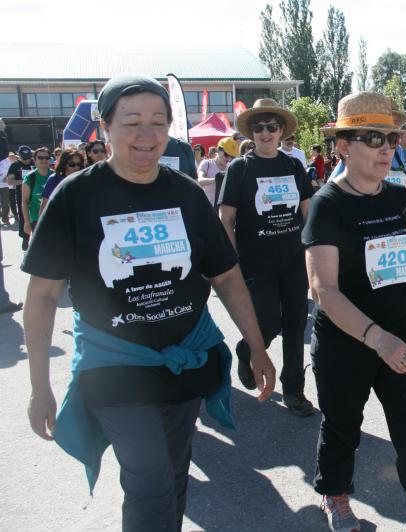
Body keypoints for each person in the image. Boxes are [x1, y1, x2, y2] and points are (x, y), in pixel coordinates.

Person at [23, 74, 276, 531]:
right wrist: (40, 385)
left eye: (158, 122)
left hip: (182, 362)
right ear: (104, 128)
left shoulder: (184, 193)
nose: (147, 135)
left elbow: (226, 275)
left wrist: (256, 346)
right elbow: (41, 296)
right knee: (150, 479)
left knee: (174, 475)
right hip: (114, 364)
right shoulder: (75, 196)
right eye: (132, 121)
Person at [304, 91, 406, 532]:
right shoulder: (327, 205)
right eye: (373, 137)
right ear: (343, 146)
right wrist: (377, 338)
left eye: (390, 136)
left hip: (403, 334)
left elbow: (398, 271)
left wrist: (397, 335)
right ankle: (336, 495)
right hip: (346, 340)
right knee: (343, 425)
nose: (387, 147)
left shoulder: (395, 198)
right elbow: (323, 290)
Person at [220, 98, 315, 417]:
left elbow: (306, 209)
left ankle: (294, 390)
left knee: (295, 323)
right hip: (255, 263)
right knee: (268, 321)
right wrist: (232, 261)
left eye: (271, 127)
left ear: (281, 131)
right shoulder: (241, 168)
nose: (265, 133)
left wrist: (313, 250)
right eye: (259, 128)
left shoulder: (292, 166)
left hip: (293, 261)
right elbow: (226, 218)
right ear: (252, 133)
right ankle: (246, 350)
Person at [40, 147, 85, 214]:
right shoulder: (54, 179)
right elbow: (44, 205)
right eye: (72, 164)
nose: (76, 167)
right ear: (64, 163)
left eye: (79, 164)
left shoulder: (83, 179)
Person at [6, 146, 34, 249]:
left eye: (28, 158)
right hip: (22, 195)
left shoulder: (35, 163)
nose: (27, 161)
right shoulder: (15, 166)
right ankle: (25, 239)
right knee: (24, 217)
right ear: (19, 156)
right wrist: (24, 182)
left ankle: (37, 240)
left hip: (37, 195)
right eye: (24, 158)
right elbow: (10, 181)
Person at [21, 147, 52, 240]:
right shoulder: (30, 177)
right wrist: (27, 222)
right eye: (40, 157)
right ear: (34, 160)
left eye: (47, 158)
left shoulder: (55, 176)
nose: (44, 160)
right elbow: (25, 201)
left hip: (53, 217)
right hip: (36, 218)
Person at [198, 137, 235, 207]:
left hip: (225, 210)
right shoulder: (207, 163)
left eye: (232, 156)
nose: (229, 158)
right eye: (226, 154)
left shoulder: (232, 167)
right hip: (209, 209)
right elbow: (200, 181)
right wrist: (217, 179)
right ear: (218, 150)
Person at [0, 151, 11, 225]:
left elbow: (10, 170)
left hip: (4, 185)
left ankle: (5, 218)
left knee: (5, 202)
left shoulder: (6, 160)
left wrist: (7, 177)